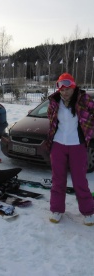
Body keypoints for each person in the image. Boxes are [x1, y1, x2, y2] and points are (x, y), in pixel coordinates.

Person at [47, 73, 94, 226]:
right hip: (58, 145)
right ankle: (57, 209)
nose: (64, 92)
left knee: (79, 180)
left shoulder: (84, 100)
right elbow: (51, 120)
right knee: (58, 179)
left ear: (73, 87)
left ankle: (88, 211)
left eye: (67, 88)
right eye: (61, 88)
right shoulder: (54, 101)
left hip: (77, 146)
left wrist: (89, 131)